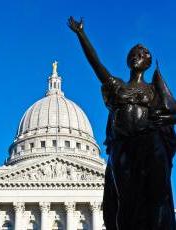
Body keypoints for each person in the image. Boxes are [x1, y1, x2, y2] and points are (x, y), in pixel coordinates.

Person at [68, 16, 176, 230]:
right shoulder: (117, 85)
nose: (138, 56)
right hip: (124, 148)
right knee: (124, 201)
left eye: (143, 54)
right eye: (134, 53)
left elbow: (171, 112)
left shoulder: (154, 89)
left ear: (147, 63)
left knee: (156, 198)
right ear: (128, 61)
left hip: (149, 145)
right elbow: (96, 65)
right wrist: (81, 34)